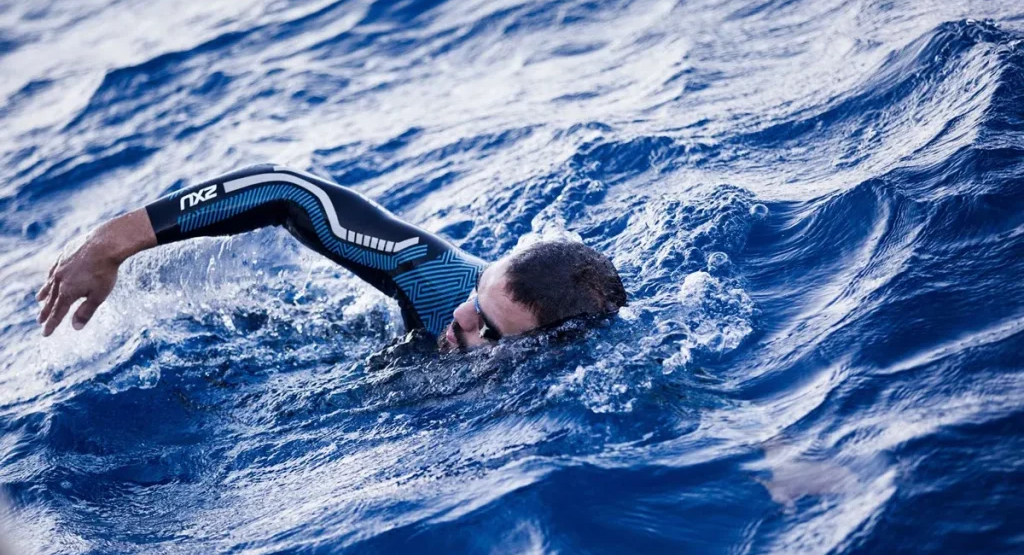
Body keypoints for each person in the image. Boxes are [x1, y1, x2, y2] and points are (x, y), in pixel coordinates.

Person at [37, 165, 627, 352]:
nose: (460, 319)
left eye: (487, 331)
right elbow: (288, 192)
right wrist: (112, 242)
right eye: (477, 300)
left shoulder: (561, 382)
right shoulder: (440, 284)